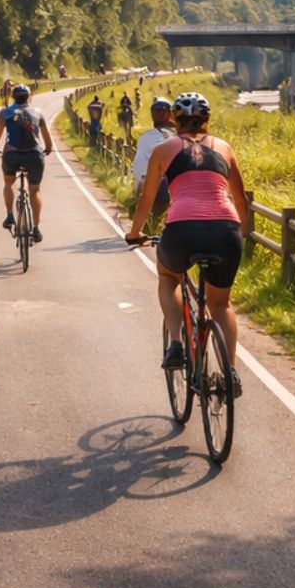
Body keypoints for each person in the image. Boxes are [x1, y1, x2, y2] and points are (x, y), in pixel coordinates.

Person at [124, 92, 249, 393]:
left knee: (169, 278)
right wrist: (239, 234)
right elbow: (241, 200)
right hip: (225, 230)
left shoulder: (164, 148)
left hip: (182, 228)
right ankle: (230, 373)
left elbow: (147, 199)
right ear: (206, 120)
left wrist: (135, 232)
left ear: (174, 119)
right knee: (221, 303)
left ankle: (177, 343)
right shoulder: (225, 148)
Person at [0, 84, 53, 242]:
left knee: (8, 183)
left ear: (13, 98)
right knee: (35, 190)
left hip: (12, 155)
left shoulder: (5, 113)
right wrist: (48, 149)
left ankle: (10, 215)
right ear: (29, 97)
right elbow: (47, 138)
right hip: (34, 156)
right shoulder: (38, 113)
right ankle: (36, 229)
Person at [130, 97, 175, 232]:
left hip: (157, 192)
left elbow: (139, 171)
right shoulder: (182, 138)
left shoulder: (145, 139)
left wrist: (137, 193)